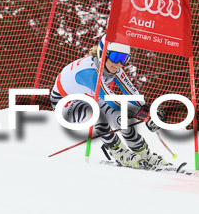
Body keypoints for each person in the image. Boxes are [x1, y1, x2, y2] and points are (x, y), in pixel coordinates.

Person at [50, 35, 168, 168]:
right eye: (115, 57)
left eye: (123, 59)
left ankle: (145, 154)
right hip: (65, 104)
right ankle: (118, 152)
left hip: (89, 97)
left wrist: (148, 111)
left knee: (121, 118)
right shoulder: (89, 72)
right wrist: (144, 115)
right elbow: (111, 101)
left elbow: (131, 93)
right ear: (102, 54)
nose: (118, 64)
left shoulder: (113, 67)